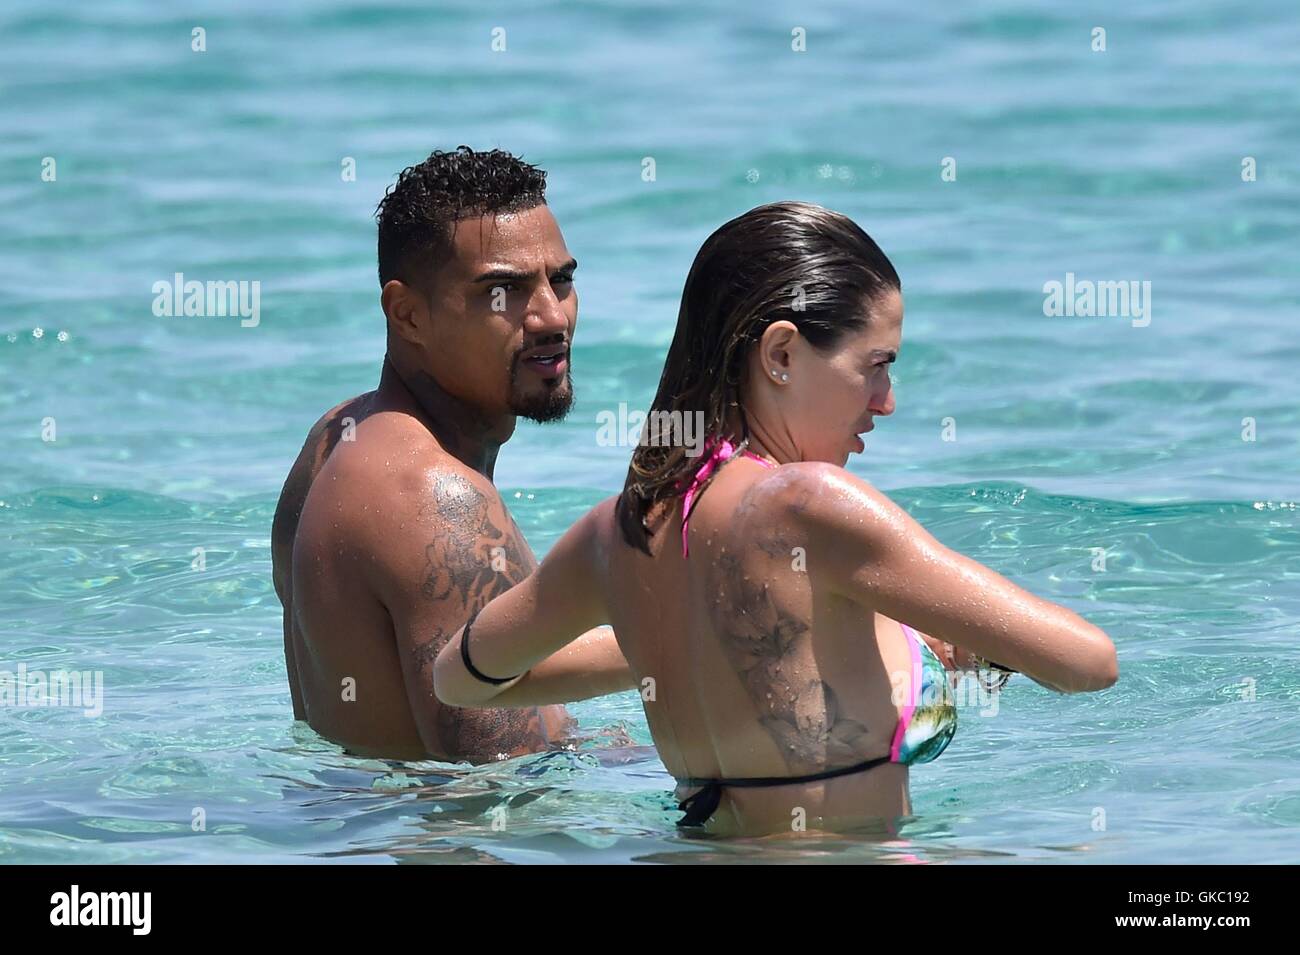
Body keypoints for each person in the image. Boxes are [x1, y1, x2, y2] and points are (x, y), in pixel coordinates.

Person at [433, 200, 1118, 834]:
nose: (887, 402)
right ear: (781, 354)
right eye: (876, 365)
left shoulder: (612, 534)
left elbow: (460, 679)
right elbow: (1088, 660)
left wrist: (683, 646)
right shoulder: (812, 505)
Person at [271, 147, 633, 762]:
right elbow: (499, 803)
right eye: (503, 292)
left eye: (561, 279)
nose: (551, 317)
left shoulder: (338, 436)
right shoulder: (438, 502)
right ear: (407, 315)